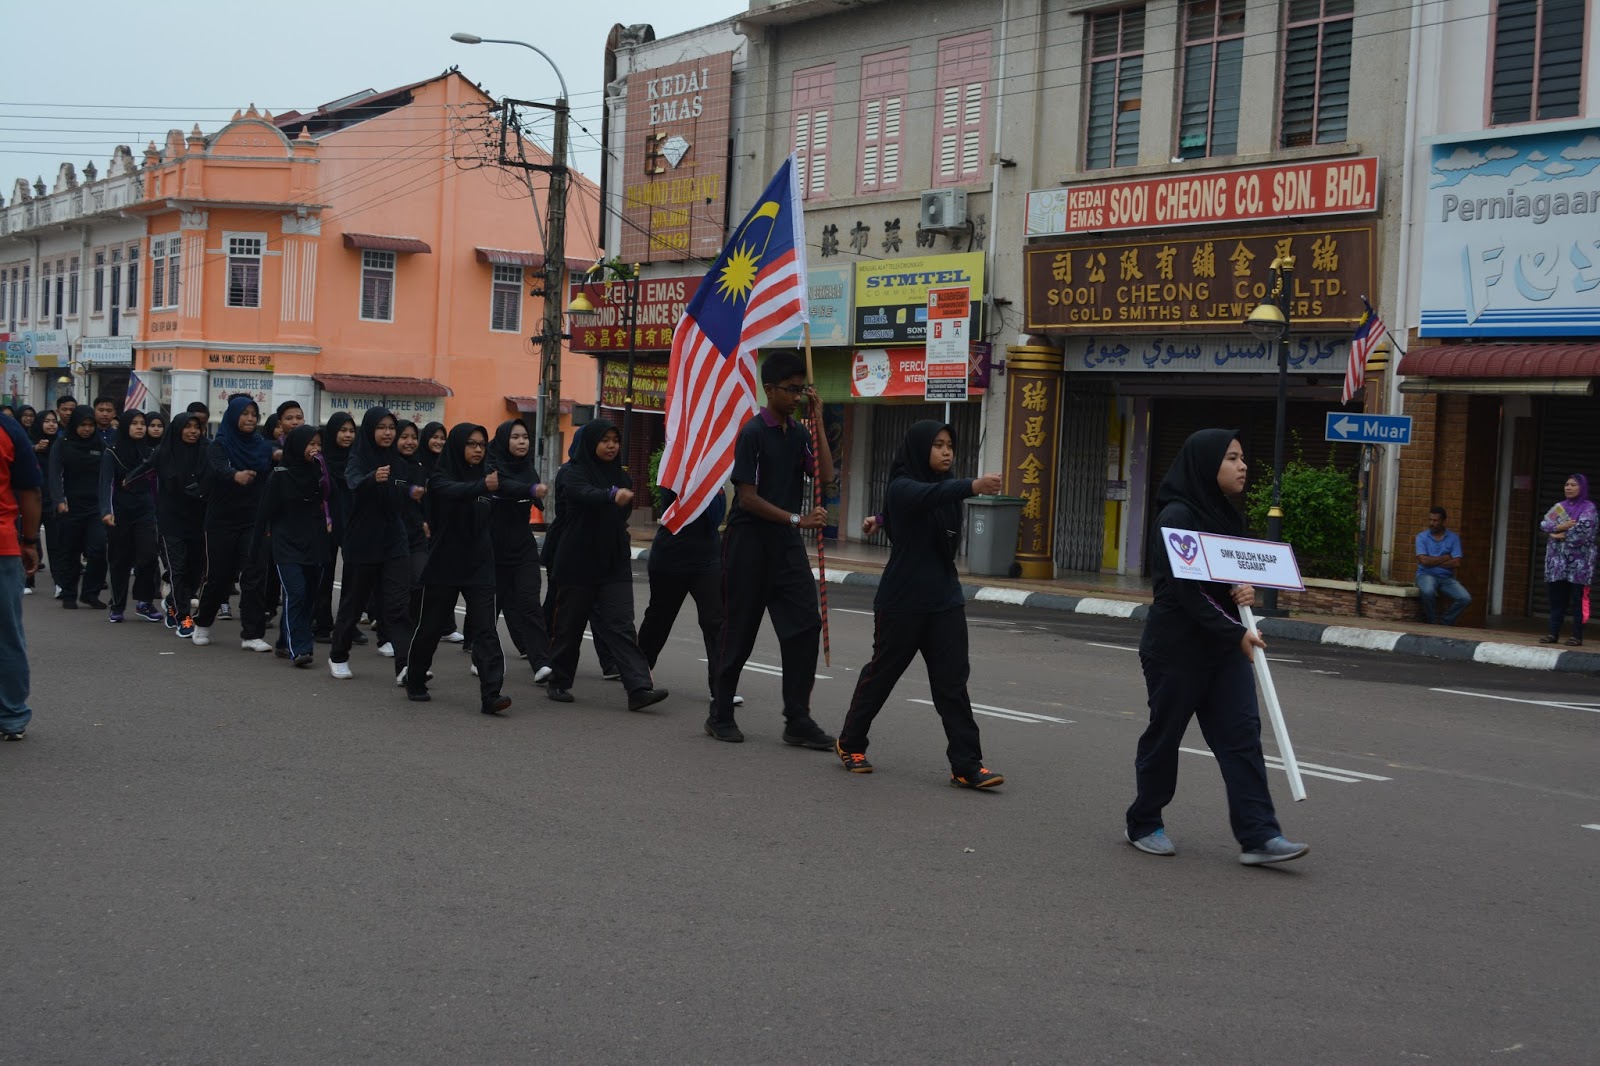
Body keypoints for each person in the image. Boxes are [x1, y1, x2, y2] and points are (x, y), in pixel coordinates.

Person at [1125, 428, 1309, 867]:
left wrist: (1241, 592)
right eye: (1232, 457)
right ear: (1207, 464)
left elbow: (1223, 582)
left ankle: (1259, 836)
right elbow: (1186, 594)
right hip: (1177, 651)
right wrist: (1235, 632)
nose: (1243, 465)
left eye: (1242, 457)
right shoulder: (1177, 516)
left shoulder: (1228, 517)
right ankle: (1145, 821)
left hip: (1223, 651)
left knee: (1241, 738)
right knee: (1165, 737)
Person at [835, 421, 1006, 787]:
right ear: (918, 449)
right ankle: (850, 743)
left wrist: (880, 519)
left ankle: (967, 764)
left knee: (952, 683)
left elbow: (930, 502)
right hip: (902, 601)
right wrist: (974, 486)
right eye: (938, 445)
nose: (946, 452)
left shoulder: (940, 490)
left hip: (945, 599)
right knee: (882, 675)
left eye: (950, 445)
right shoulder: (900, 486)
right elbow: (920, 498)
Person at [707, 350, 834, 749]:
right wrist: (798, 520)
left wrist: (817, 422)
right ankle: (720, 712)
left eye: (802, 390)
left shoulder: (798, 432)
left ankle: (797, 718)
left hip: (785, 547)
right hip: (748, 544)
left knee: (805, 627)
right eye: (791, 390)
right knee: (739, 631)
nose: (797, 396)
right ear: (770, 389)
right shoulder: (753, 433)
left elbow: (825, 476)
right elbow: (747, 498)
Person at [544, 419, 667, 710]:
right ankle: (559, 681)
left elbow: (619, 518)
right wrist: (610, 495)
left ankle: (639, 688)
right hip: (577, 562)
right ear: (590, 443)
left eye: (615, 440)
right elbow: (583, 495)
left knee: (621, 625)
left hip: (613, 562)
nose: (611, 446)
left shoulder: (622, 478)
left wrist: (616, 497)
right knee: (569, 627)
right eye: (605, 440)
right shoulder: (571, 473)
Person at [404, 422, 512, 714]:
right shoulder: (440, 477)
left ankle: (491, 695)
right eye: (471, 444)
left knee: (486, 629)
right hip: (445, 563)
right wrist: (482, 486)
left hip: (479, 564)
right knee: (431, 626)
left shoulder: (487, 478)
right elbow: (452, 491)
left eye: (482, 445)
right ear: (458, 446)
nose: (478, 450)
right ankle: (415, 679)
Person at [328, 407, 416, 681]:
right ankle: (338, 655)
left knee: (398, 606)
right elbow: (354, 484)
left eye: (391, 427)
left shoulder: (400, 461)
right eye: (381, 427)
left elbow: (404, 494)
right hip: (363, 542)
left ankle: (406, 666)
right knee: (353, 605)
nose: (388, 433)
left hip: (394, 541)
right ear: (369, 430)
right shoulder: (357, 459)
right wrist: (372, 479)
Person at [638, 485, 736, 706]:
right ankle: (637, 676)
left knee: (716, 621)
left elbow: (716, 515)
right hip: (671, 556)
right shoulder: (676, 474)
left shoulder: (714, 474)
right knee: (659, 619)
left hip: (707, 559)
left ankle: (720, 687)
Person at [190, 395, 273, 651]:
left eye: (253, 414)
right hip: (221, 521)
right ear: (232, 416)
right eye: (244, 413)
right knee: (219, 577)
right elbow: (217, 469)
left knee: (254, 576)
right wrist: (235, 475)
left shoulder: (261, 444)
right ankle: (202, 623)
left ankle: (251, 634)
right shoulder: (219, 445)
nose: (250, 419)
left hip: (252, 520)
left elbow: (274, 457)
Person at [254, 424, 330, 667]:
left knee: (307, 596)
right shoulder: (280, 475)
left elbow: (334, 499)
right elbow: (264, 512)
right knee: (295, 592)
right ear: (298, 445)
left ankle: (283, 642)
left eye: (319, 444)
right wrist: (256, 547)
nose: (316, 449)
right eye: (311, 444)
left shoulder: (319, 472)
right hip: (286, 543)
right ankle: (300, 648)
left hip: (314, 542)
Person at [487, 418, 552, 682]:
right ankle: (483, 654)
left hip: (523, 545)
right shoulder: (491, 467)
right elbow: (504, 485)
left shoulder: (527, 467)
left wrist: (533, 491)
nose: (522, 441)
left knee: (529, 603)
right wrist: (530, 489)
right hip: (493, 545)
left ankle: (542, 664)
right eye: (515, 437)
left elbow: (532, 494)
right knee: (490, 606)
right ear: (504, 440)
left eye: (524, 437)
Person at [143, 407, 208, 636]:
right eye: (187, 427)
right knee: (177, 569)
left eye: (196, 427)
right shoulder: (164, 452)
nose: (192, 432)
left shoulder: (206, 450)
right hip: (171, 520)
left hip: (198, 519)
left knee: (195, 570)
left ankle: (172, 602)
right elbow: (143, 471)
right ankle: (184, 618)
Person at [1, 409, 43, 741]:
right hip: (3, 546)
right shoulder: (9, 430)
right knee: (7, 635)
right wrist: (30, 541)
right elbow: (30, 491)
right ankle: (12, 716)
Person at [99, 409, 161, 623]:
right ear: (125, 426)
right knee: (120, 560)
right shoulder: (112, 452)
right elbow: (106, 483)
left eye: (142, 423)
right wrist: (106, 511)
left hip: (145, 510)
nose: (139, 427)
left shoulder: (151, 452)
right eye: (134, 423)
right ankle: (117, 604)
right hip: (119, 512)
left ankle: (144, 601)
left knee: (149, 556)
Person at [47, 406, 108, 609]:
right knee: (70, 551)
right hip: (70, 506)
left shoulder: (100, 444)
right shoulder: (63, 443)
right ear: (75, 425)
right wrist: (59, 500)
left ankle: (90, 593)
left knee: (99, 548)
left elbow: (108, 475)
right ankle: (69, 592)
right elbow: (55, 473)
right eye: (83, 425)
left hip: (95, 507)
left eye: (91, 425)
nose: (87, 429)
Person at [313, 412, 357, 644]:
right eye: (343, 430)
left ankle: (348, 624)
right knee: (325, 574)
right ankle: (321, 623)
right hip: (327, 523)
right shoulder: (321, 460)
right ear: (332, 432)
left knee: (353, 576)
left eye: (351, 431)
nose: (348, 435)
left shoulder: (356, 459)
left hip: (353, 522)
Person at [1539, 474, 1596, 647]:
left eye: (1573, 485)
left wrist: (1557, 534)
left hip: (1580, 564)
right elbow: (1544, 524)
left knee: (1578, 600)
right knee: (1557, 599)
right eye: (1566, 484)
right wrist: (1560, 527)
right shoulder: (1560, 507)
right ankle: (1553, 633)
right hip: (1557, 563)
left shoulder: (1589, 508)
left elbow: (1583, 531)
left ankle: (1576, 636)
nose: (1568, 488)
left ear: (1582, 488)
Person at [1414, 506, 1471, 626]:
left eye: (1435, 521)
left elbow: (1456, 563)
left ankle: (1445, 621)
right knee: (1428, 591)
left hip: (1446, 578)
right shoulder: (1422, 537)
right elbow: (1423, 561)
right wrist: (1445, 557)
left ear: (1444, 522)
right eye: (1430, 520)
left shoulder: (1453, 538)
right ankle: (1432, 622)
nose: (1432, 523)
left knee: (1465, 598)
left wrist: (1432, 560)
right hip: (1425, 574)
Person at [24, 408, 56, 596]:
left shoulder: (61, 443)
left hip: (53, 500)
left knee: (56, 543)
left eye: (54, 421)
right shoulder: (28, 441)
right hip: (33, 498)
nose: (51, 424)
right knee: (31, 540)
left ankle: (60, 583)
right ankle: (28, 579)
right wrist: (34, 449)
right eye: (47, 421)